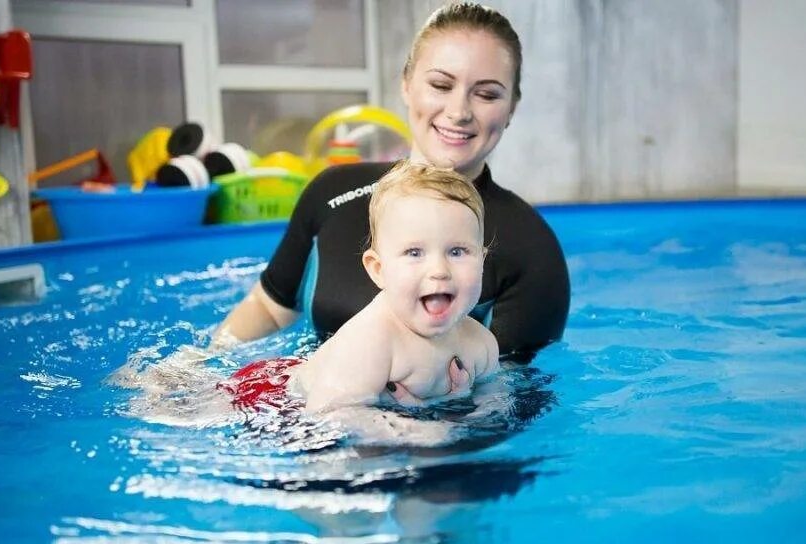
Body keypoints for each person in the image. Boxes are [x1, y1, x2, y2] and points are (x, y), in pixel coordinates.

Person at [215, 2, 569, 370]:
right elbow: (269, 309)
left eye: (487, 94)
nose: (459, 111)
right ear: (406, 84)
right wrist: (198, 366)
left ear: (511, 107)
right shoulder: (332, 193)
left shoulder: (532, 250)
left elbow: (505, 398)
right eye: (441, 85)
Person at [221, 161, 499, 412]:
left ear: (482, 261)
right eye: (414, 253)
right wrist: (412, 432)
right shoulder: (372, 342)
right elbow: (329, 415)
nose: (439, 270)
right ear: (378, 270)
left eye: (458, 252)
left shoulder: (481, 343)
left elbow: (495, 397)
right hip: (272, 396)